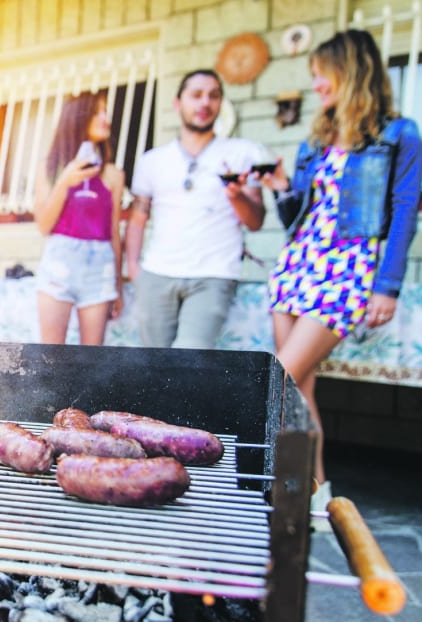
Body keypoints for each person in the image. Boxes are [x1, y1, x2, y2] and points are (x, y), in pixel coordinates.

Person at [259, 30, 422, 516]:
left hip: (348, 272)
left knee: (280, 379)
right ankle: (315, 500)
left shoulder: (399, 134)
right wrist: (282, 187)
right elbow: (297, 218)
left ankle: (288, 487)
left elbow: (405, 209)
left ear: (348, 70)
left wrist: (386, 287)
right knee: (299, 394)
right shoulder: (317, 141)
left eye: (319, 74)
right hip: (297, 266)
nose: (315, 84)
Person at [125, 69, 266, 349]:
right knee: (153, 367)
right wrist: (133, 268)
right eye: (196, 95)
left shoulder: (243, 153)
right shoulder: (152, 160)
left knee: (188, 363)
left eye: (213, 96)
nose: (205, 103)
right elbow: (138, 219)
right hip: (157, 274)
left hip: (213, 275)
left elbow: (256, 221)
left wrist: (235, 195)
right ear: (178, 103)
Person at [34, 90, 124, 345]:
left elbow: (114, 233)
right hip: (58, 264)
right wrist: (64, 182)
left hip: (100, 268)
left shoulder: (113, 175)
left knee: (90, 363)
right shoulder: (50, 167)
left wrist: (117, 285)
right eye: (97, 112)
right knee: (51, 359)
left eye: (106, 111)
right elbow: (43, 225)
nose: (105, 118)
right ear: (77, 117)